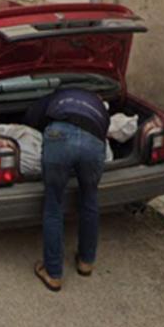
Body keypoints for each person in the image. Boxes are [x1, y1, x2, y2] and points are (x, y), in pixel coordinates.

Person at [24, 87, 110, 292]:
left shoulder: (57, 96)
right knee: (89, 198)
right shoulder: (99, 107)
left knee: (54, 203)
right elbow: (104, 131)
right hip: (93, 141)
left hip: (59, 135)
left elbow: (31, 117)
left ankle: (53, 273)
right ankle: (86, 261)